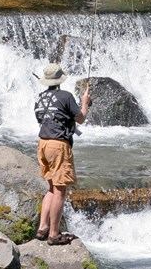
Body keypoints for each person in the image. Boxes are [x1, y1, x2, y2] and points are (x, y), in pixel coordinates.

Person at [34, 63, 90, 246]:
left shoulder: (40, 98)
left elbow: (41, 120)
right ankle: (54, 234)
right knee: (60, 190)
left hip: (42, 143)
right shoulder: (65, 96)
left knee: (51, 187)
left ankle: (42, 228)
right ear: (60, 80)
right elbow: (80, 118)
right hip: (58, 145)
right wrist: (84, 103)